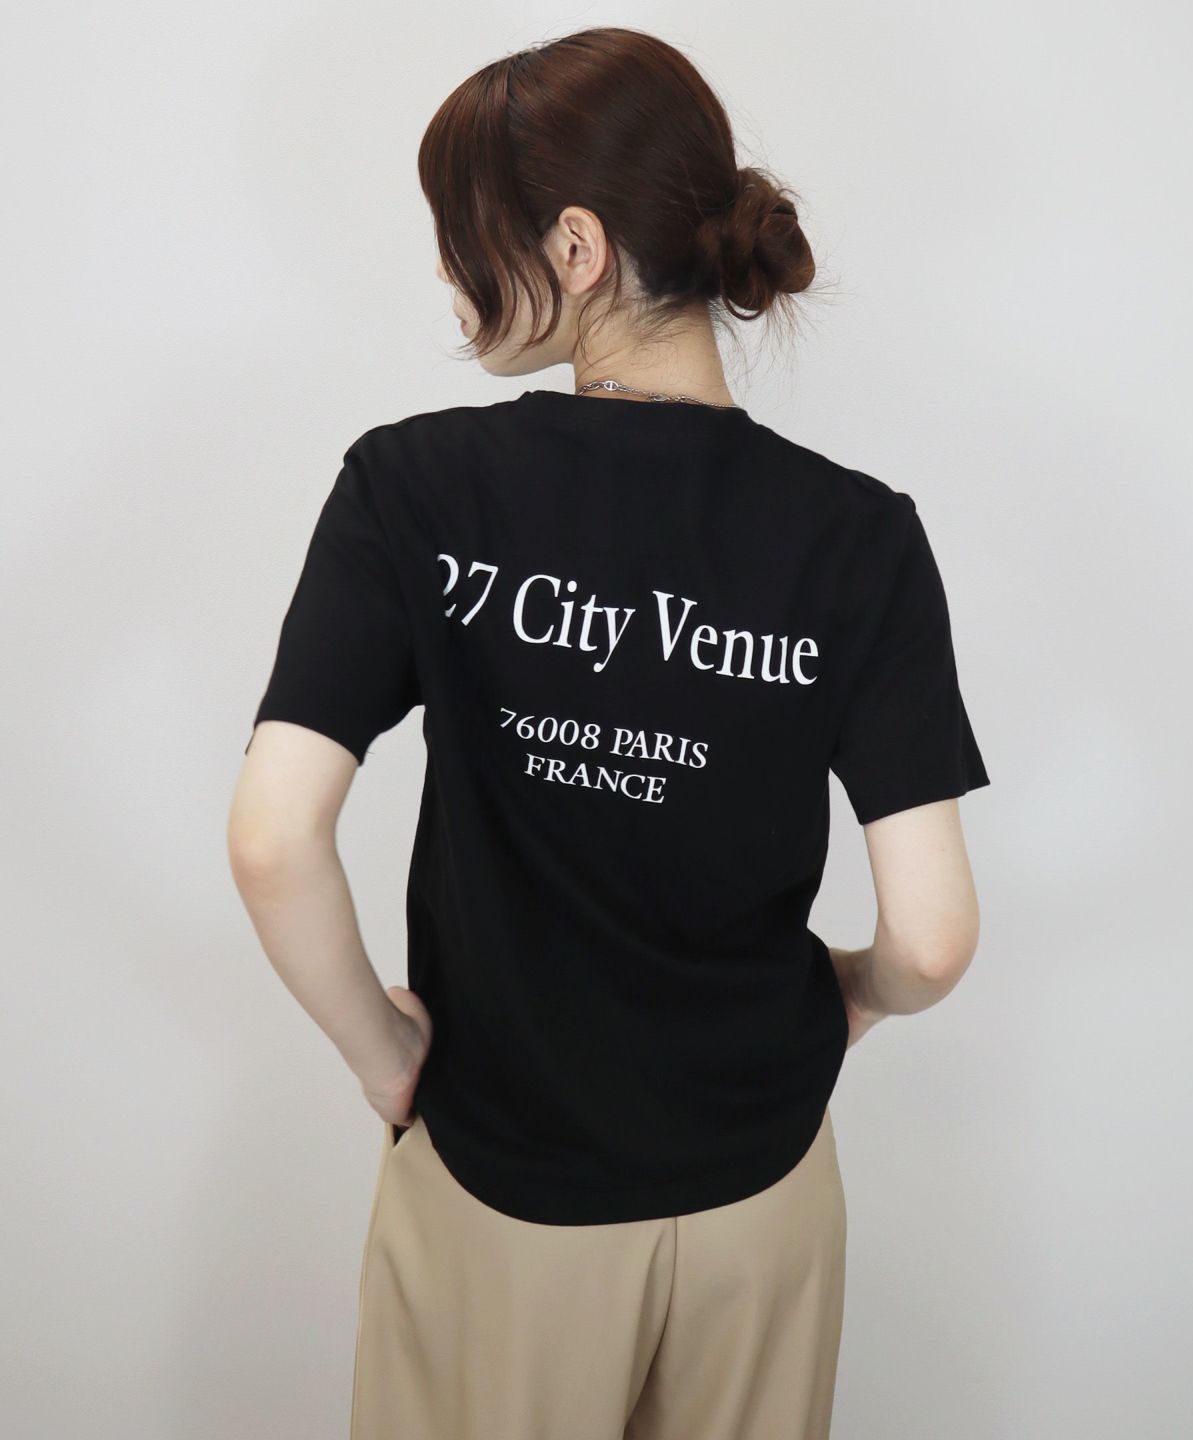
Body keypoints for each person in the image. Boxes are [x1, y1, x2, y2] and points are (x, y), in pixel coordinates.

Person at [227, 24, 989, 1440]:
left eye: (465, 237)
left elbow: (273, 839)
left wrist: (381, 1055)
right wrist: (857, 996)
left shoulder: (415, 488)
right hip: (765, 1197)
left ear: (574, 247)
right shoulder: (859, 537)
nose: (450, 278)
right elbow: (935, 937)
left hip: (506, 1192)